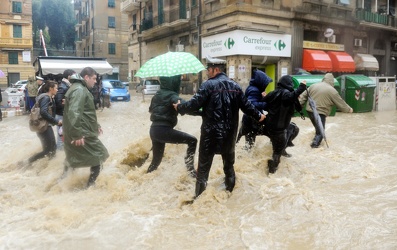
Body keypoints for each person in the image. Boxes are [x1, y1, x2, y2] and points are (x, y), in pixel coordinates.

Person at [173, 56, 265, 198]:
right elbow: (247, 107)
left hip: (210, 134)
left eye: (209, 70)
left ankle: (199, 200)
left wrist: (179, 107)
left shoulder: (207, 85)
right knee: (229, 168)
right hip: (229, 135)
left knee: (203, 169)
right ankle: (229, 195)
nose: (207, 73)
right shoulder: (235, 86)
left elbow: (193, 105)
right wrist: (259, 116)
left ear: (216, 69)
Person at [62, 67, 109, 187]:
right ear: (86, 77)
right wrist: (77, 134)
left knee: (73, 159)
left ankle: (61, 183)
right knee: (100, 156)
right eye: (93, 79)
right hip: (83, 133)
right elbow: (74, 112)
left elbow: (85, 112)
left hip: (80, 131)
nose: (95, 82)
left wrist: (96, 125)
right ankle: (89, 188)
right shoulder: (80, 90)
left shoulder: (78, 88)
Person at [147, 75, 198, 177]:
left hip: (154, 130)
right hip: (164, 130)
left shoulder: (156, 96)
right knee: (192, 141)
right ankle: (190, 170)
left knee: (155, 163)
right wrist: (202, 111)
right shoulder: (173, 96)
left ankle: (143, 181)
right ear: (174, 82)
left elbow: (151, 110)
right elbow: (186, 107)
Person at [262, 75, 306, 174]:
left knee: (294, 128)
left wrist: (264, 97)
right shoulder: (286, 94)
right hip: (278, 129)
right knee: (276, 154)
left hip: (269, 125)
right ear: (289, 84)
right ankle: (271, 173)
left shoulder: (273, 92)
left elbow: (264, 103)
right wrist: (302, 87)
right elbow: (289, 97)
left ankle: (282, 148)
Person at [299, 73, 353, 148]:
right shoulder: (332, 90)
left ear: (324, 79)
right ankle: (313, 147)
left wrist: (299, 107)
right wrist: (349, 109)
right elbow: (340, 102)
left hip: (310, 111)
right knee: (321, 133)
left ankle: (314, 142)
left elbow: (303, 96)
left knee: (318, 129)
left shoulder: (313, 85)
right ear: (332, 81)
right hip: (319, 113)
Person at [27, 80, 62, 164]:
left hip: (41, 127)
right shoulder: (46, 98)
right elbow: (43, 112)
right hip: (44, 127)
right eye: (56, 88)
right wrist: (56, 121)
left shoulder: (45, 97)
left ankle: (45, 167)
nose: (57, 90)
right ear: (51, 88)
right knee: (49, 150)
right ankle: (28, 162)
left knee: (50, 150)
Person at [237, 69, 272, 150]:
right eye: (265, 83)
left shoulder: (254, 88)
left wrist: (264, 98)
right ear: (261, 81)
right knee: (249, 145)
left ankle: (244, 158)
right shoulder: (254, 90)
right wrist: (266, 103)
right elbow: (251, 104)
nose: (266, 85)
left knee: (249, 145)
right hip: (252, 120)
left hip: (251, 119)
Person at [54, 69, 76, 150]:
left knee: (65, 136)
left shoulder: (67, 85)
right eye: (74, 75)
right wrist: (67, 103)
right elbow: (58, 101)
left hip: (64, 115)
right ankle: (58, 157)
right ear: (69, 76)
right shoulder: (63, 86)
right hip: (61, 115)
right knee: (61, 137)